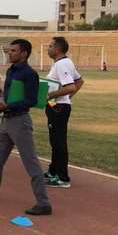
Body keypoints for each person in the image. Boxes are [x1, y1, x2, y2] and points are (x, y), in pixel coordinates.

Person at [0, 39, 52, 216]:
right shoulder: (11, 70)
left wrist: (5, 107)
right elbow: (8, 98)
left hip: (20, 122)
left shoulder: (29, 74)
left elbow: (30, 100)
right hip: (6, 121)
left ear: (24, 53)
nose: (10, 53)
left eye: (14, 50)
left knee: (30, 162)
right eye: (10, 50)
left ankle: (44, 202)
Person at [44, 37, 84, 188]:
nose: (48, 49)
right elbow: (80, 81)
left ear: (57, 49)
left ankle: (62, 177)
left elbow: (71, 87)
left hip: (58, 107)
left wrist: (49, 96)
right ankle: (53, 171)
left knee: (59, 142)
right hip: (58, 105)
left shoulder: (62, 64)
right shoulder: (65, 63)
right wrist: (66, 98)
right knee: (55, 141)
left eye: (50, 46)